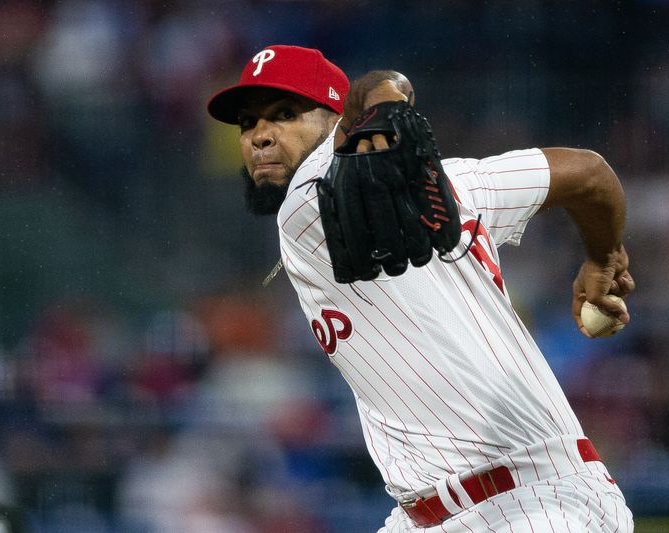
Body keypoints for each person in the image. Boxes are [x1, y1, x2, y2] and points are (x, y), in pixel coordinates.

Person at [208, 44, 635, 532]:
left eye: (284, 114)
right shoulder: (459, 184)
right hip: (427, 516)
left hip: (534, 504)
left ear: (334, 119)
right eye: (248, 123)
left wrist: (385, 97)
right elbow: (588, 174)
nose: (261, 136)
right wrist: (603, 257)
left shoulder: (307, 200)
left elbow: (373, 89)